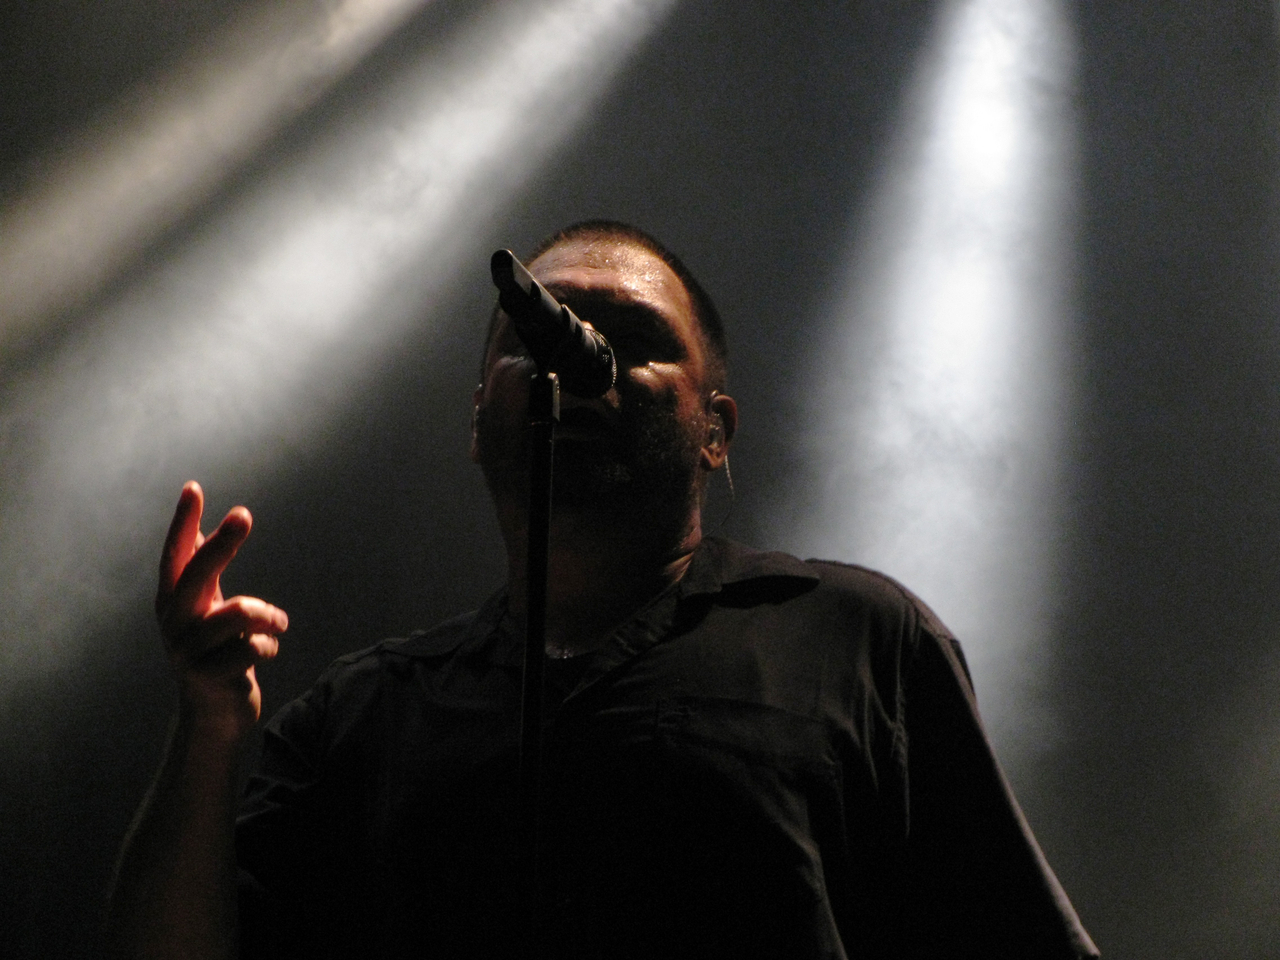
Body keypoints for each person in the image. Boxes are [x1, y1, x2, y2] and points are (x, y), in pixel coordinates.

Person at [106, 221, 1100, 959]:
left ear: (715, 431)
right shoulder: (368, 713)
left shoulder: (852, 642)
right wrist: (207, 727)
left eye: (632, 334)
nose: (576, 357)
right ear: (478, 418)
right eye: (532, 338)